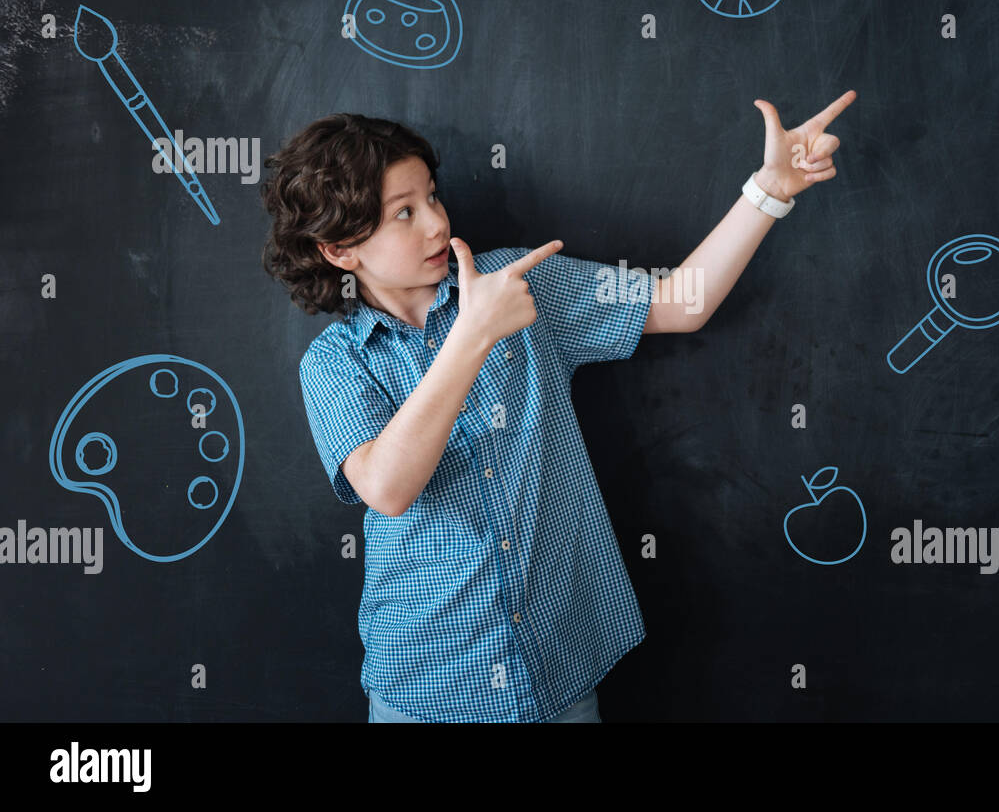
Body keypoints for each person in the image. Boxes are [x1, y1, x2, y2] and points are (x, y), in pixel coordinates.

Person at [259, 93, 854, 722]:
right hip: (428, 680)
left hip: (557, 665)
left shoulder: (520, 280)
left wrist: (769, 191)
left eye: (431, 196)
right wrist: (473, 336)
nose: (436, 223)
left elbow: (683, 301)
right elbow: (388, 487)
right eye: (402, 214)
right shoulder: (334, 363)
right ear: (340, 250)